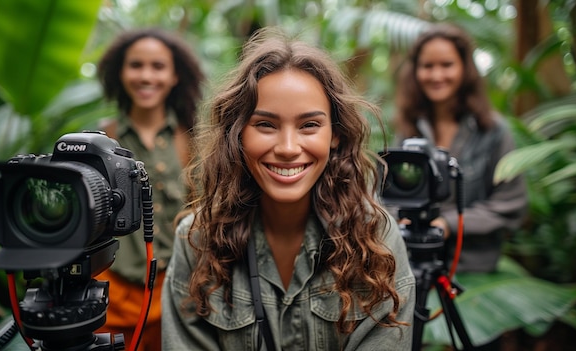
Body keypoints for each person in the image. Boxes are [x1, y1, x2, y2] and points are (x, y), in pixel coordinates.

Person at [161, 27, 415, 351]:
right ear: (238, 133)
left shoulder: (375, 239)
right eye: (265, 124)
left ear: (335, 133)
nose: (288, 147)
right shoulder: (197, 241)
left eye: (309, 125)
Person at [95, 27, 204, 350]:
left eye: (157, 66)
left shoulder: (193, 142)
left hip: (176, 294)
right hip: (110, 294)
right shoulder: (100, 140)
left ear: (174, 76)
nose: (146, 76)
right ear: (121, 72)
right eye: (136, 65)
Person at [392, 23, 527, 274]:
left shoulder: (493, 130)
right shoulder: (408, 129)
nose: (436, 75)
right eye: (427, 66)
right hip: (410, 263)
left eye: (447, 65)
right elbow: (389, 190)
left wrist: (448, 224)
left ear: (465, 69)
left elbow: (511, 202)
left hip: (471, 268)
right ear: (415, 71)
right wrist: (402, 218)